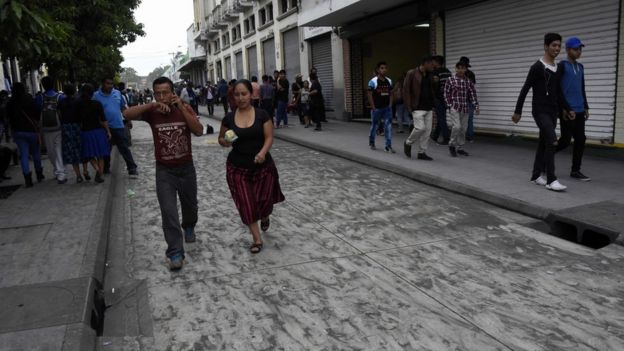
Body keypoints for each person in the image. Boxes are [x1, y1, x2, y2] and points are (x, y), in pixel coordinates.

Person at [123, 76, 204, 270]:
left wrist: (181, 108)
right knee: (168, 212)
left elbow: (199, 131)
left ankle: (189, 225)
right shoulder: (153, 112)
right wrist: (151, 106)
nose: (161, 96)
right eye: (157, 93)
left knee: (190, 205)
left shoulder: (184, 107)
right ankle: (175, 252)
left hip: (186, 168)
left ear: (172, 92)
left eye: (165, 92)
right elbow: (127, 114)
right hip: (164, 171)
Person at [218, 79, 285, 254]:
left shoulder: (262, 114)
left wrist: (262, 153)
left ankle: (265, 215)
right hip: (237, 169)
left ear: (251, 94)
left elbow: (269, 137)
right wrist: (224, 142)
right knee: (247, 204)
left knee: (263, 202)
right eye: (237, 94)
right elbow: (221, 139)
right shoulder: (229, 118)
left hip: (263, 168)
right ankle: (256, 239)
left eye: (244, 94)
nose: (241, 98)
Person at [512, 33, 567, 192]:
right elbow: (525, 88)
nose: (557, 48)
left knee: (544, 143)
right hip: (540, 111)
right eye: (553, 45)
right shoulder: (537, 67)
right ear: (546, 46)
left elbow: (558, 92)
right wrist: (518, 111)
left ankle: (536, 175)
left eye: (558, 45)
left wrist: (566, 109)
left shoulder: (557, 68)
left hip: (553, 112)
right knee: (552, 140)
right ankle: (551, 179)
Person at [556, 37, 591, 181]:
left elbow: (582, 87)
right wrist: (563, 108)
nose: (578, 52)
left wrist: (586, 106)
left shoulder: (581, 67)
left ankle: (575, 170)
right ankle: (546, 156)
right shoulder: (562, 66)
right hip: (567, 110)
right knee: (565, 140)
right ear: (568, 50)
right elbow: (557, 89)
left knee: (581, 139)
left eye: (580, 49)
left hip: (579, 109)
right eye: (576, 49)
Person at [93, 77, 138, 176]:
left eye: (111, 84)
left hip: (118, 126)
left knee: (124, 148)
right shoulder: (96, 96)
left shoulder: (117, 93)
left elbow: (123, 107)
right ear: (102, 84)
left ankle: (132, 168)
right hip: (104, 128)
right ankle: (105, 167)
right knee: (106, 149)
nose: (110, 86)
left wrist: (129, 120)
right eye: (107, 83)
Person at [6, 82, 44, 187]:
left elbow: (8, 117)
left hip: (18, 132)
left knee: (24, 155)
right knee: (36, 153)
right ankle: (39, 173)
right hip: (31, 130)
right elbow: (37, 111)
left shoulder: (10, 102)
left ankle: (27, 178)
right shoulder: (29, 99)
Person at [403, 56, 435, 161]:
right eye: (431, 64)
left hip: (428, 107)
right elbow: (406, 90)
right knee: (420, 128)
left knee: (427, 132)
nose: (432, 65)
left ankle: (422, 152)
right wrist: (409, 106)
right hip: (417, 107)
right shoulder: (411, 73)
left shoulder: (430, 74)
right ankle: (408, 142)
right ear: (425, 63)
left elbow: (431, 90)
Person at [444, 61, 480, 157]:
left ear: (465, 69)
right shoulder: (450, 80)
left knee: (463, 129)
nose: (460, 70)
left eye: (463, 68)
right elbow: (446, 93)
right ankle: (451, 145)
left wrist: (476, 106)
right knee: (457, 127)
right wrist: (449, 105)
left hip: (465, 108)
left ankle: (460, 147)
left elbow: (473, 94)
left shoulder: (468, 82)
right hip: (455, 107)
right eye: (458, 68)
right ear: (455, 68)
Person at [36, 76, 67, 183]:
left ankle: (57, 170)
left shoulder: (40, 98)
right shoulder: (60, 97)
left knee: (50, 152)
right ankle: (61, 174)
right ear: (53, 84)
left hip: (45, 128)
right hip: (58, 127)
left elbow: (37, 112)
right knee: (58, 150)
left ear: (43, 85)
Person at [78, 84, 110, 183]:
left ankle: (96, 169)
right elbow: (104, 120)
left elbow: (77, 121)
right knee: (101, 155)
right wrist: (108, 131)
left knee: (89, 155)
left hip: (86, 133)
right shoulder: (97, 104)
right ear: (92, 93)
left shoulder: (78, 105)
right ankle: (100, 174)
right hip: (98, 132)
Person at [58, 84, 88, 182]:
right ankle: (85, 171)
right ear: (74, 91)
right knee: (82, 149)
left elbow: (59, 115)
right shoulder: (79, 101)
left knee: (72, 152)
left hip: (66, 128)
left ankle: (78, 175)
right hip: (78, 127)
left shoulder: (61, 101)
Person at [367, 61, 394, 153]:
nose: (384, 70)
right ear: (378, 70)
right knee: (375, 126)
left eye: (385, 68)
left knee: (388, 126)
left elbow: (391, 94)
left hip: (387, 108)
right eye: (382, 68)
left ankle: (388, 146)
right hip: (377, 108)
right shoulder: (373, 82)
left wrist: (390, 105)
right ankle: (372, 142)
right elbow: (369, 95)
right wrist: (373, 107)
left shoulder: (389, 81)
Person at [431, 55, 452, 144]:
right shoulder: (448, 72)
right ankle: (435, 135)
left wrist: (433, 97)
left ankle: (446, 138)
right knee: (441, 116)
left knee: (441, 117)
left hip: (439, 97)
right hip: (447, 97)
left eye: (433, 62)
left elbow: (435, 86)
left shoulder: (435, 72)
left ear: (436, 62)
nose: (432, 63)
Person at [459, 56, 477, 142]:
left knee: (468, 119)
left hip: (467, 100)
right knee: (464, 119)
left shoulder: (469, 75)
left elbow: (471, 87)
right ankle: (467, 136)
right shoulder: (458, 75)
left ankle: (468, 136)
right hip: (463, 100)